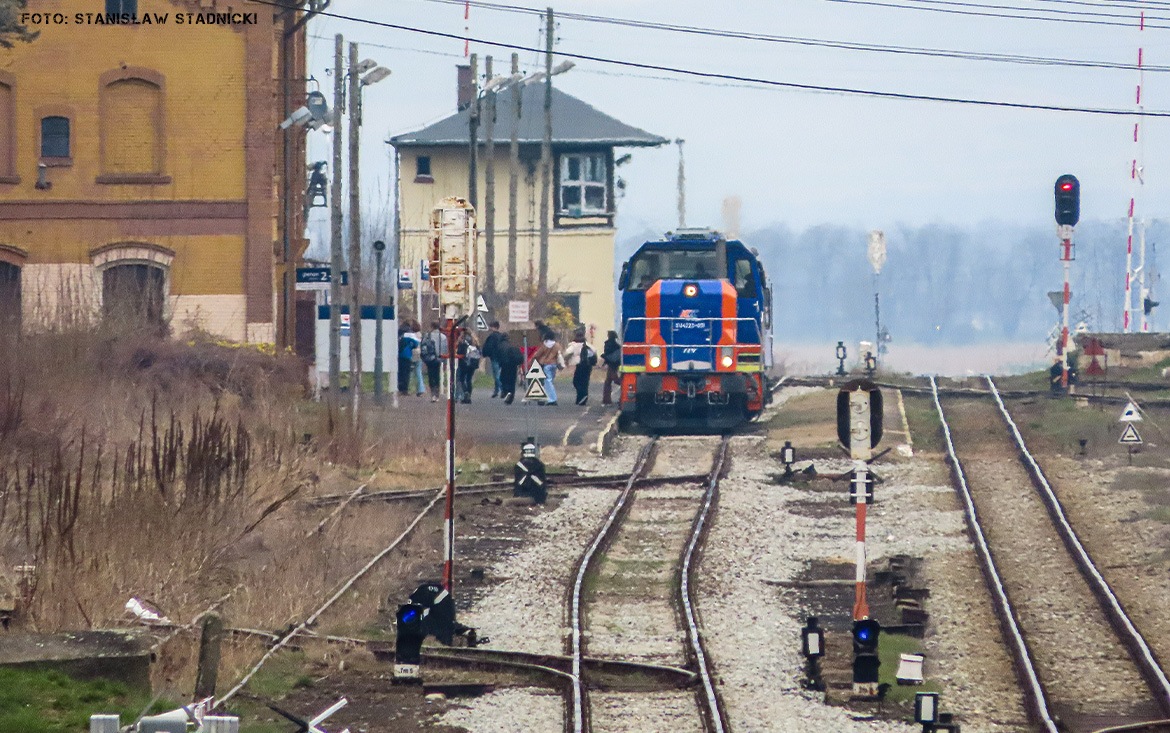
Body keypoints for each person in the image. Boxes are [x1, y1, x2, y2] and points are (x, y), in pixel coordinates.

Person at [532, 331, 565, 406]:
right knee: (550, 381)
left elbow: (538, 354)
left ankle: (552, 399)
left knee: (548, 381)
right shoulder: (557, 345)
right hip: (554, 364)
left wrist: (533, 359)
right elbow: (561, 353)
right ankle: (549, 397)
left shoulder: (544, 345)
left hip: (546, 364)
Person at [495, 332, 523, 404]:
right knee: (512, 381)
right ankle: (511, 395)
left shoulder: (500, 345)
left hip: (504, 365)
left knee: (503, 379)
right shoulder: (513, 345)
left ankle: (506, 391)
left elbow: (497, 356)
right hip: (513, 365)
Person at [423, 321, 448, 402]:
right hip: (438, 358)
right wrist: (443, 360)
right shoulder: (443, 337)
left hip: (430, 358)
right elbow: (445, 349)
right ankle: (437, 394)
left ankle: (433, 393)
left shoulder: (428, 336)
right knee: (437, 375)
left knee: (431, 375)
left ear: (432, 327)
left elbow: (424, 346)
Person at [455, 330, 481, 404]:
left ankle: (465, 392)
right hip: (473, 364)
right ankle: (468, 396)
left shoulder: (463, 342)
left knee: (462, 379)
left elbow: (459, 352)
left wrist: (458, 342)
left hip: (464, 363)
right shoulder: (475, 341)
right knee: (469, 380)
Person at [482, 321, 506, 398]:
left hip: (495, 357)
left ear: (493, 327)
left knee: (496, 375)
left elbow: (488, 347)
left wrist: (485, 354)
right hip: (502, 357)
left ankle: (503, 390)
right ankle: (496, 391)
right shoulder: (502, 336)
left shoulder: (492, 337)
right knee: (499, 374)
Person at [397, 323, 420, 394]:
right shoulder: (410, 334)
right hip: (407, 355)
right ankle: (405, 389)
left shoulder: (399, 333)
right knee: (406, 373)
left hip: (399, 354)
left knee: (400, 372)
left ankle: (400, 388)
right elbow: (416, 344)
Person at [602, 330, 622, 405]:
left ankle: (607, 400)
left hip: (611, 364)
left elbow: (607, 353)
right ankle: (607, 400)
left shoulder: (607, 344)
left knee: (612, 380)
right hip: (615, 364)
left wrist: (605, 360)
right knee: (609, 381)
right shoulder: (617, 345)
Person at [409, 320, 426, 396]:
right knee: (418, 371)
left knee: (410, 371)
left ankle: (410, 388)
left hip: (413, 353)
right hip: (419, 353)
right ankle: (421, 388)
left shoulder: (412, 335)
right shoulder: (420, 334)